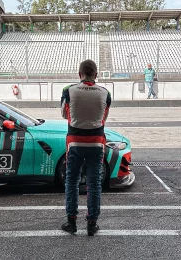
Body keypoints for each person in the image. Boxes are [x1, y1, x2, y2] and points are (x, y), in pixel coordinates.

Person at [60, 59, 111, 236]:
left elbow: (64, 114)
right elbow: (104, 117)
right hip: (97, 143)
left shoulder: (68, 91)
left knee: (72, 181)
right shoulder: (105, 93)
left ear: (79, 74)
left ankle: (71, 221)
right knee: (94, 183)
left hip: (74, 142)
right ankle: (92, 224)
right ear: (96, 75)